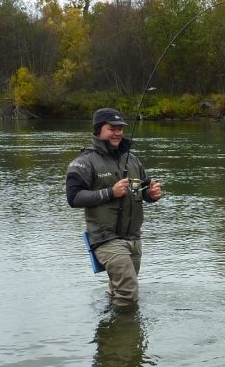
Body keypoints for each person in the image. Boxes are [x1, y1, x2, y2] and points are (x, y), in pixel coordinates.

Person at [66, 108, 163, 308]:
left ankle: (107, 327)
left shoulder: (132, 159)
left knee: (120, 288)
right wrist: (110, 192)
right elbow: (74, 197)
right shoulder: (84, 162)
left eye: (120, 129)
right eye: (112, 128)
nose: (118, 133)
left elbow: (140, 188)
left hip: (133, 238)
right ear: (98, 130)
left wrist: (151, 194)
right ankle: (124, 335)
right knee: (128, 290)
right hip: (105, 238)